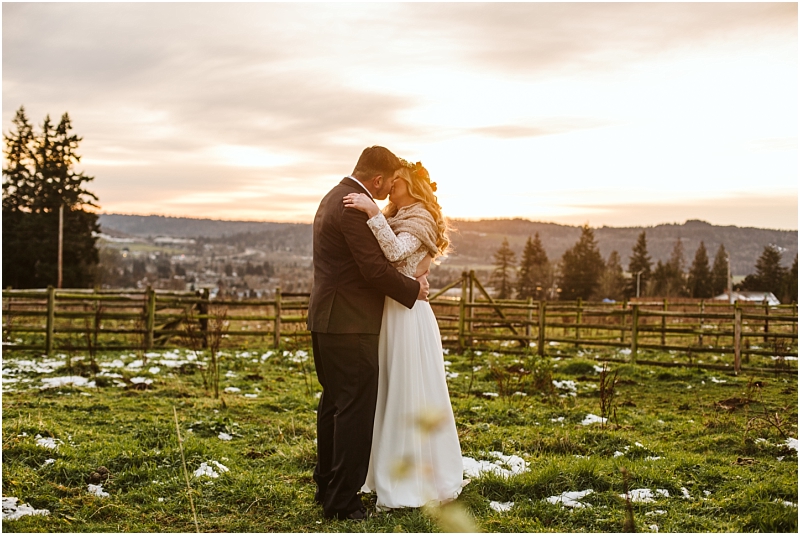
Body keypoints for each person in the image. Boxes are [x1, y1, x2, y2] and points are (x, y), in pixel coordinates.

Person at [307, 146, 430, 521]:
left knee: (334, 405)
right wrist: (414, 290)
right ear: (377, 180)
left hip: (328, 320)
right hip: (350, 323)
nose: (388, 189)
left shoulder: (333, 197)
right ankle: (342, 503)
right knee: (354, 411)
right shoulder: (352, 209)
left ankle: (327, 484)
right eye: (388, 183)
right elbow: (374, 271)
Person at [343, 159, 464, 510]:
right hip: (391, 311)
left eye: (397, 181)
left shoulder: (421, 217)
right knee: (388, 389)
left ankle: (413, 476)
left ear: (412, 186)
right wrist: (378, 215)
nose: (390, 186)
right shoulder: (397, 216)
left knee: (409, 390)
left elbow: (395, 253)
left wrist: (370, 211)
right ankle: (383, 468)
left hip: (408, 315)